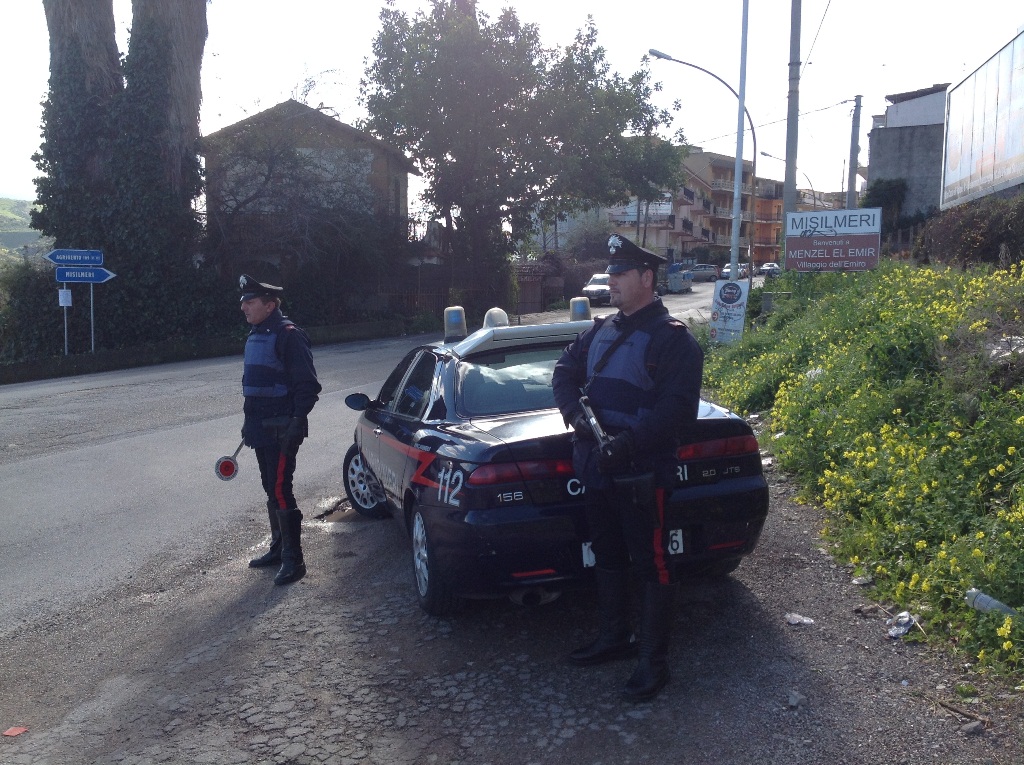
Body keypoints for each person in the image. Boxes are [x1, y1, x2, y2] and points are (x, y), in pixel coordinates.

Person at [552, 235, 704, 702]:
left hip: (641, 472)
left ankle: (653, 664)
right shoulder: (599, 330)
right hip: (597, 466)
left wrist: (629, 443)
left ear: (646, 278)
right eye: (611, 272)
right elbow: (563, 373)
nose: (611, 280)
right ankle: (614, 637)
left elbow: (677, 410)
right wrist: (576, 417)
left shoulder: (674, 340)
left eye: (620, 273)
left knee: (652, 562)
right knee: (607, 553)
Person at [239, 274, 321, 586]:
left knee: (280, 488)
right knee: (269, 486)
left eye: (250, 302)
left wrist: (296, 423)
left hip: (282, 429)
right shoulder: (257, 333)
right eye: (244, 302)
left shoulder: (289, 335)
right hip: (261, 429)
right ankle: (278, 547)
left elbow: (308, 386)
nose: (244, 307)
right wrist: (248, 423)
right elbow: (255, 386)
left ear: (270, 305)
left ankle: (293, 559)